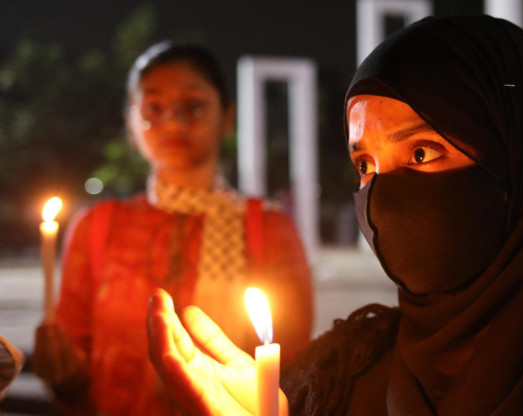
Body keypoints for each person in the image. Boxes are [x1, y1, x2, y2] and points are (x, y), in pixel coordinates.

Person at [147, 16, 523, 415]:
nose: (384, 195)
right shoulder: (335, 381)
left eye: (420, 152)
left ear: (521, 161)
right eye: (365, 165)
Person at [32, 42, 314, 415]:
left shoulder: (269, 229)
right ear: (131, 124)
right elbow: (74, 367)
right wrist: (62, 374)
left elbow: (290, 368)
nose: (173, 122)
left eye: (193, 107)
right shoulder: (97, 227)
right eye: (153, 109)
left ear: (227, 118)